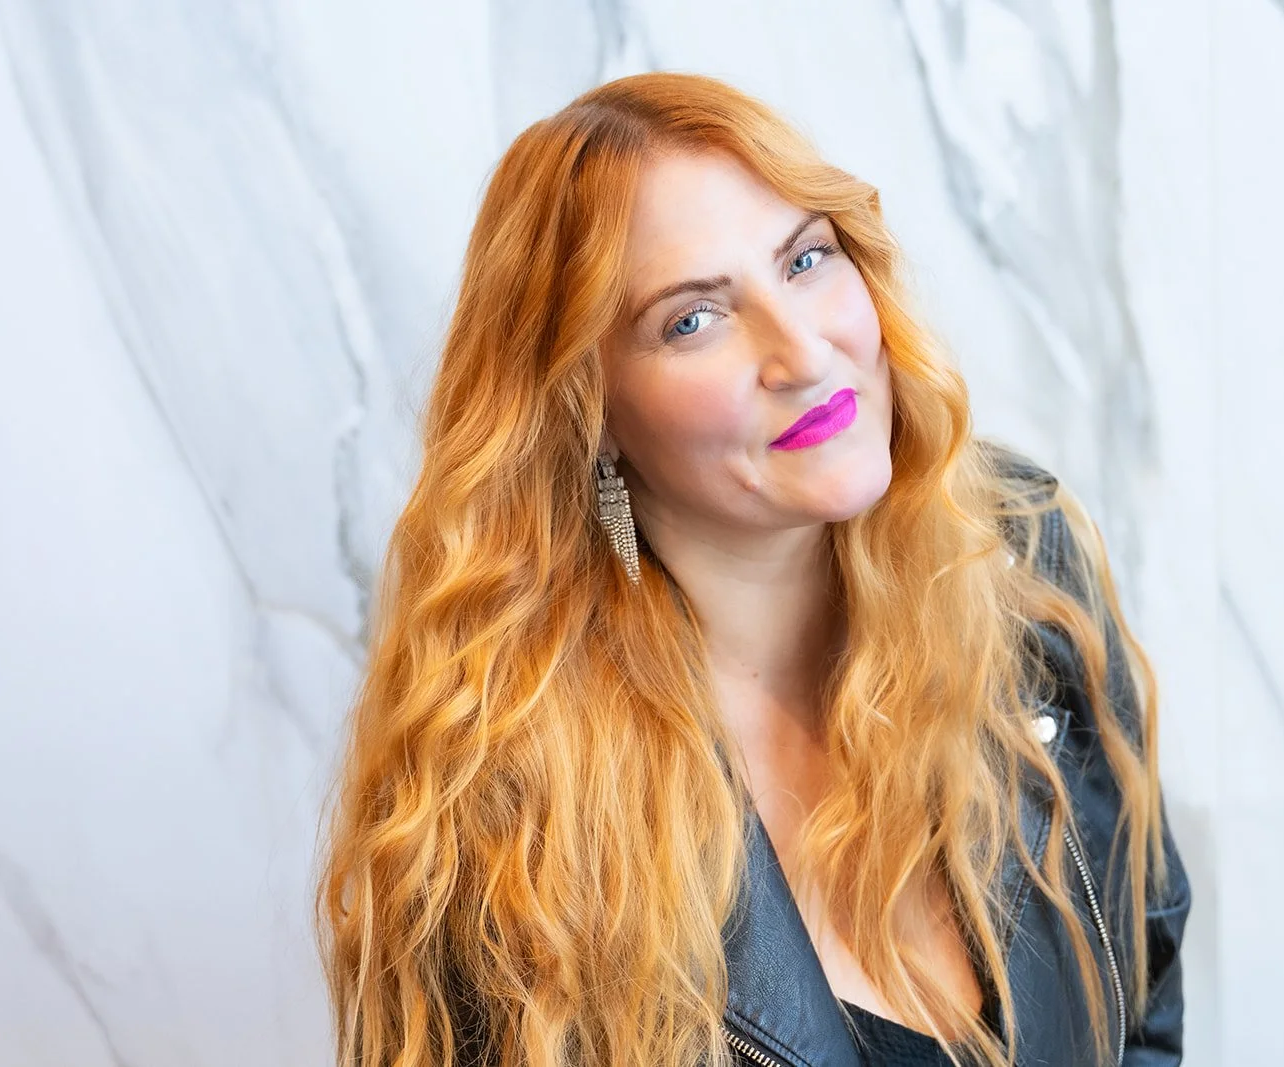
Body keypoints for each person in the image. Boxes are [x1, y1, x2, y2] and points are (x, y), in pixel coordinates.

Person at [314, 71, 1190, 1067]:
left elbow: (1140, 988)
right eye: (694, 318)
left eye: (805, 260)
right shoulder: (502, 803)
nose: (804, 352)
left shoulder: (1020, 563)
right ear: (589, 412)